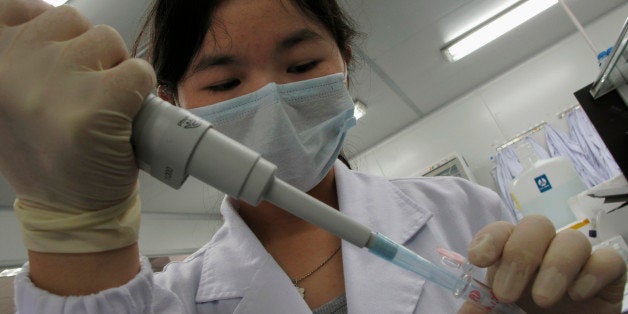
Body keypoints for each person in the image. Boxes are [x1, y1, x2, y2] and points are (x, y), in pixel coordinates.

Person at [0, 0, 625, 313]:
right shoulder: (178, 297)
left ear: (345, 68)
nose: (270, 100)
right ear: (173, 106)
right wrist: (75, 228)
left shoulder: (465, 210)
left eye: (302, 66)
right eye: (222, 84)